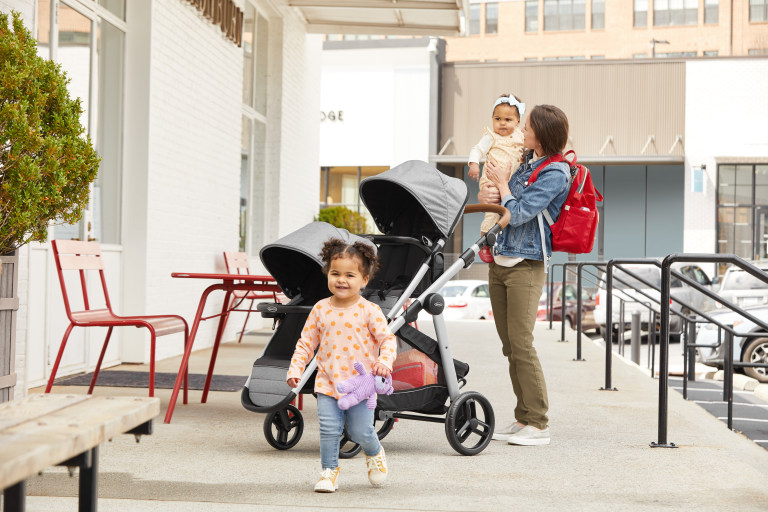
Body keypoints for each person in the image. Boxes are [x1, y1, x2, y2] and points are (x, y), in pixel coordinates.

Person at [477, 104, 571, 446]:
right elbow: (503, 204)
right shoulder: (527, 163)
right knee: (509, 347)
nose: (521, 131)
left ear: (542, 134)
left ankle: (539, 423)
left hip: (526, 265)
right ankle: (523, 417)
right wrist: (492, 190)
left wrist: (503, 184)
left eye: (527, 126)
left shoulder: (556, 173)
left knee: (522, 344)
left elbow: (517, 214)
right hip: (501, 260)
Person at [286, 238, 397, 493]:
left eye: (350, 275)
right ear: (328, 274)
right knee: (329, 429)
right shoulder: (320, 309)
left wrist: (384, 362)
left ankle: (374, 450)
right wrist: (296, 369)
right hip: (327, 382)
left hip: (360, 385)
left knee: (360, 431)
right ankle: (328, 471)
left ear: (364, 279)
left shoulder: (369, 311)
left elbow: (388, 340)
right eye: (335, 273)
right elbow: (305, 343)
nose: (341, 280)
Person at [468, 94, 526, 262]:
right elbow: (477, 149)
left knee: (505, 212)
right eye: (497, 118)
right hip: (492, 180)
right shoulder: (491, 137)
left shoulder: (520, 136)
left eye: (508, 119)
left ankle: (496, 241)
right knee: (492, 211)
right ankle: (483, 243)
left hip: (508, 181)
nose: (502, 123)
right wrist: (473, 164)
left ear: (517, 122)